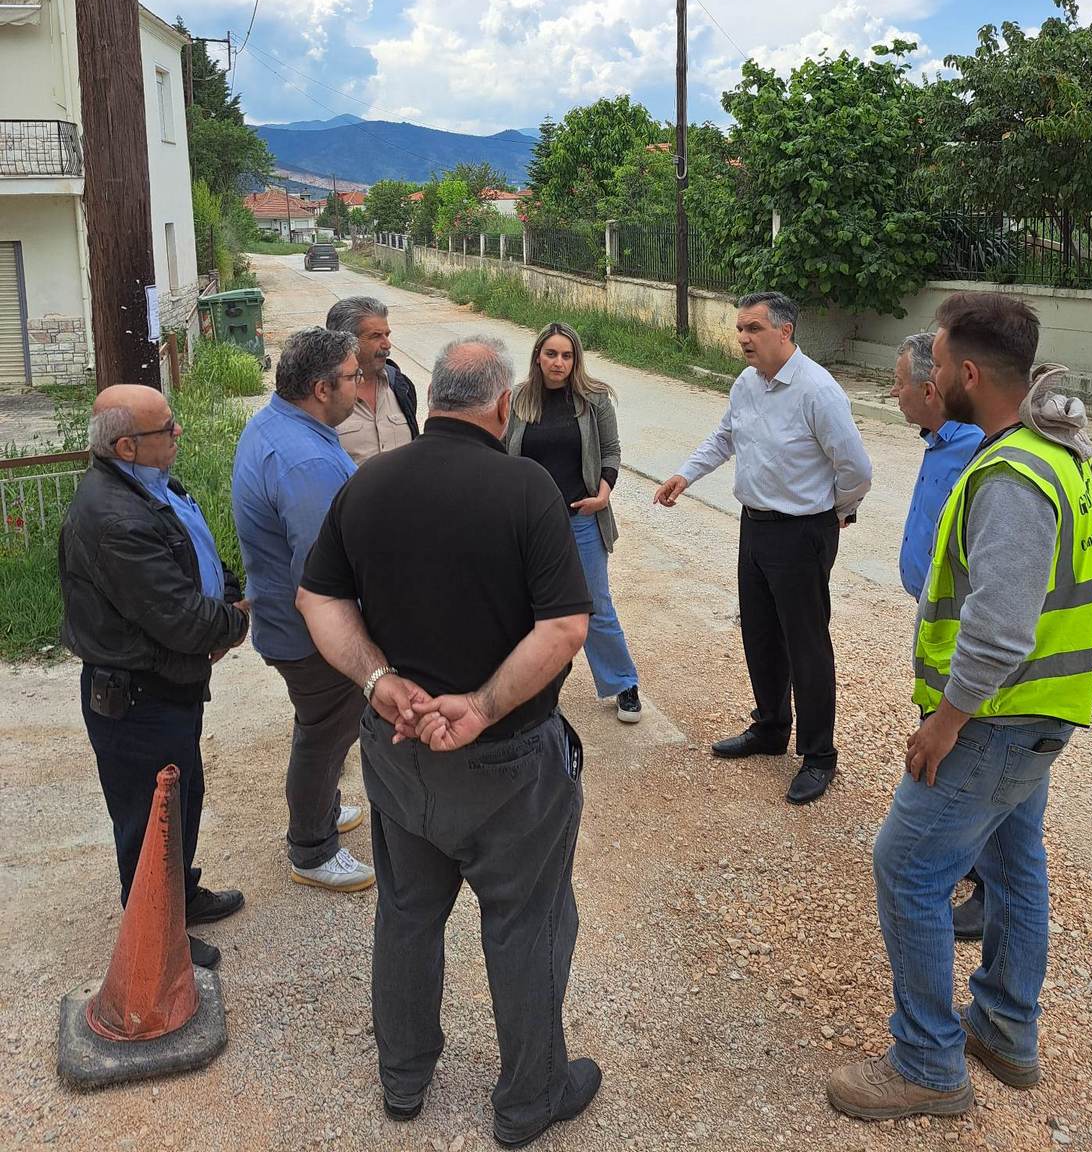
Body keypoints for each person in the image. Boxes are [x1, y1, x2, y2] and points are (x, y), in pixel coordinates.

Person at [296, 337, 601, 1147]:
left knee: (407, 912)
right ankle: (529, 1098)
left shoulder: (369, 483)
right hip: (509, 763)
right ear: (503, 406)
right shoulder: (527, 489)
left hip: (398, 750)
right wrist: (481, 706)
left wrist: (377, 680)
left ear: (431, 401)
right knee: (526, 923)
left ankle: (404, 1078)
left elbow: (317, 599)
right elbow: (565, 627)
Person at [828, 293, 1092, 1122]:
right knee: (1014, 865)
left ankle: (927, 1064)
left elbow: (1002, 625)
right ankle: (1005, 1031)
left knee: (907, 867)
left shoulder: (1012, 473)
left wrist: (946, 720)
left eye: (938, 364)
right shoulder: (1047, 451)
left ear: (970, 374)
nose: (928, 376)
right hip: (1034, 713)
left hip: (993, 721)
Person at [58, 384, 250, 969]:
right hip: (138, 698)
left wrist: (228, 596)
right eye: (166, 427)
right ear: (126, 446)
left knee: (181, 801)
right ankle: (157, 943)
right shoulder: (115, 518)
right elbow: (180, 619)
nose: (178, 432)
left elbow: (198, 559)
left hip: (166, 687)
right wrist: (235, 622)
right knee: (150, 823)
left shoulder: (151, 485)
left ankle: (179, 896)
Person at [654, 291, 872, 806]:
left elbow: (856, 469)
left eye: (753, 328)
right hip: (753, 526)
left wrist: (835, 513)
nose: (743, 339)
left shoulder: (818, 390)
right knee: (760, 633)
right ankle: (771, 727)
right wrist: (686, 474)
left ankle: (818, 755)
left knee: (806, 644)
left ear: (785, 331)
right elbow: (724, 437)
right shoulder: (747, 384)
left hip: (801, 532)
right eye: (740, 329)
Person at [231, 328, 374, 893]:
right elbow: (322, 572)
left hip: (287, 624)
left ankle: (321, 806)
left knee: (322, 729)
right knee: (326, 734)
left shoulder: (278, 425)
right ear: (320, 388)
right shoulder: (304, 461)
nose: (360, 386)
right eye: (352, 377)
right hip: (313, 636)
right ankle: (312, 847)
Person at [891, 331, 987, 941]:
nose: (893, 392)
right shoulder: (940, 441)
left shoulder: (978, 450)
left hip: (964, 632)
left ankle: (985, 882)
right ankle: (969, 860)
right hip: (937, 619)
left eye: (900, 382)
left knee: (969, 751)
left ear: (932, 389)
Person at [505, 320, 642, 724]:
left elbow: (611, 451)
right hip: (530, 523)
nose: (559, 362)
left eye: (567, 355)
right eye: (551, 354)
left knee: (595, 604)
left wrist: (603, 494)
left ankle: (623, 682)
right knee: (526, 605)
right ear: (538, 357)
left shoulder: (594, 399)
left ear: (576, 359)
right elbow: (500, 450)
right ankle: (531, 687)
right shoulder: (518, 399)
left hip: (582, 518)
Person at [325, 296, 419, 465]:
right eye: (376, 336)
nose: (387, 344)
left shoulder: (400, 386)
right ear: (346, 342)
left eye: (387, 335)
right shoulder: (324, 394)